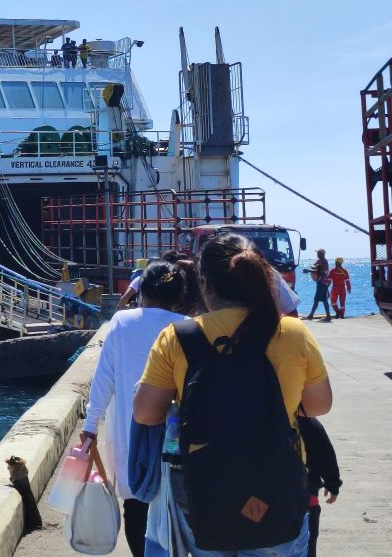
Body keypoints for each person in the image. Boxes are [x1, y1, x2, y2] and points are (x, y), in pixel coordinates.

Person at [133, 233, 333, 557]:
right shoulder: (293, 333)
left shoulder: (178, 337)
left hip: (206, 488)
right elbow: (319, 405)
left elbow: (145, 413)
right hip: (278, 485)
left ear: (205, 284)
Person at [80, 261, 188, 557]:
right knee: (173, 508)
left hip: (129, 432)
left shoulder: (122, 323)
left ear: (143, 290)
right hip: (176, 435)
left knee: (135, 506)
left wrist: (90, 425)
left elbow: (104, 378)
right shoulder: (187, 326)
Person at [296, 407, 341, 557]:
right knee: (308, 547)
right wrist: (332, 484)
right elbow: (327, 456)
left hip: (267, 504)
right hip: (308, 501)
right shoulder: (311, 424)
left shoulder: (264, 423)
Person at [305, 248, 332, 321]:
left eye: (318, 253)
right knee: (323, 300)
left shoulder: (324, 261)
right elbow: (316, 268)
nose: (317, 254)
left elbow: (321, 271)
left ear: (322, 254)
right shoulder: (319, 261)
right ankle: (313, 315)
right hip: (321, 282)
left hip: (322, 283)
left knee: (318, 299)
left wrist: (308, 270)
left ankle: (312, 315)